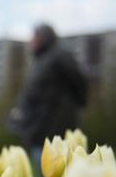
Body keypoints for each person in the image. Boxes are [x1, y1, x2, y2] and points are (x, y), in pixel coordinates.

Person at [8, 23, 87, 154]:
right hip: (37, 128)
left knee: (53, 168)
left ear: (45, 37)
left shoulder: (60, 56)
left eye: (35, 36)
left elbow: (79, 84)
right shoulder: (40, 60)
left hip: (53, 126)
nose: (31, 40)